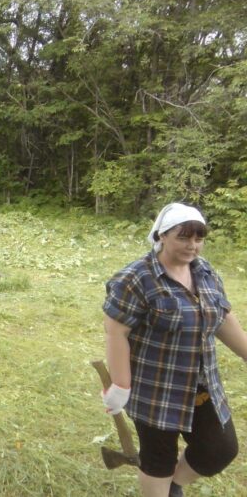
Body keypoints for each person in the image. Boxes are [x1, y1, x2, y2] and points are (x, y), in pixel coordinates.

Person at [102, 202, 247, 497]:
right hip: (155, 388)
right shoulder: (136, 278)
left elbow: (221, 317)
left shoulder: (204, 272)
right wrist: (121, 385)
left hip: (201, 384)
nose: (192, 245)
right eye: (183, 237)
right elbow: (116, 331)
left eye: (198, 238)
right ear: (162, 235)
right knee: (159, 458)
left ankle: (172, 486)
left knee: (220, 448)